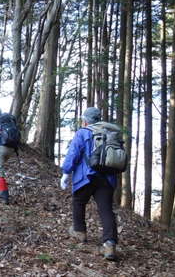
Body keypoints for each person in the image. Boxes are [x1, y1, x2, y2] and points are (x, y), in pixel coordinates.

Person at [60, 107, 118, 261]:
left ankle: (79, 232)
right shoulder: (111, 133)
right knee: (106, 210)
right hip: (107, 178)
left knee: (79, 201)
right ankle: (109, 244)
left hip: (86, 176)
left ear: (86, 120)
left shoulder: (83, 132)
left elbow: (73, 153)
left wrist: (66, 173)